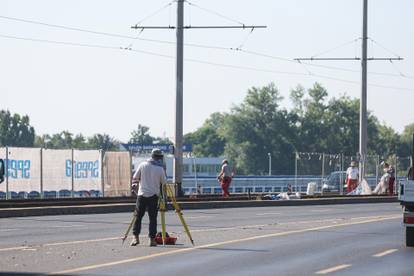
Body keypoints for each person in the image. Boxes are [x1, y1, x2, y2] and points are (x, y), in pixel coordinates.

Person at [130, 148, 166, 247]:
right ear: (159, 158)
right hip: (154, 196)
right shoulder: (160, 169)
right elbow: (164, 183)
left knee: (138, 217)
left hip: (141, 194)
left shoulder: (142, 165)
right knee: (153, 219)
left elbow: (135, 178)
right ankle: (152, 240)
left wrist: (135, 185)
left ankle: (135, 237)